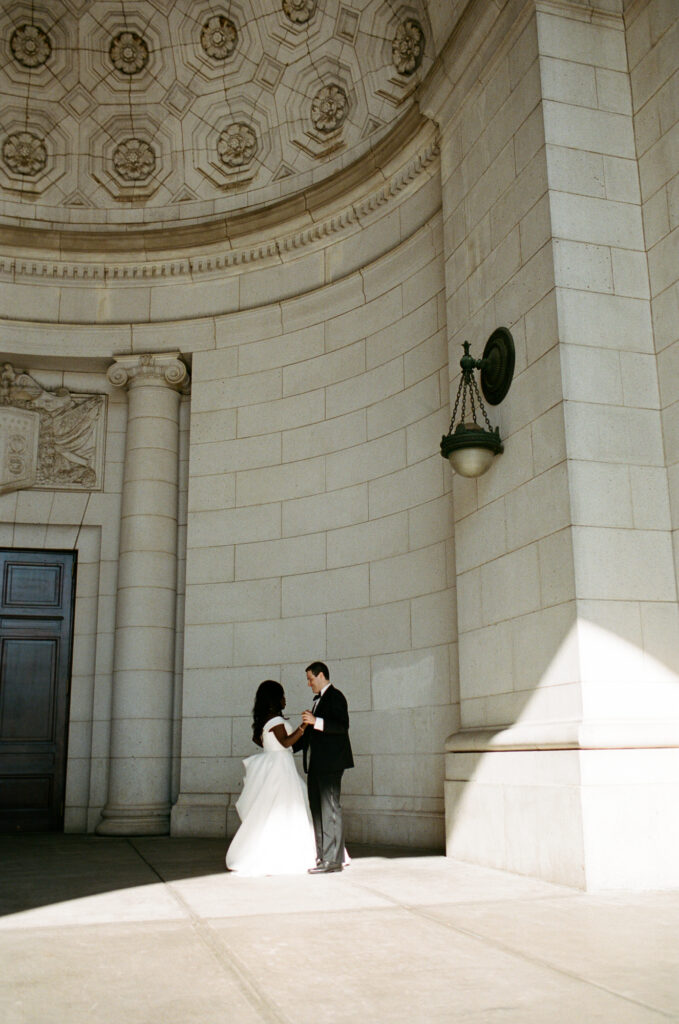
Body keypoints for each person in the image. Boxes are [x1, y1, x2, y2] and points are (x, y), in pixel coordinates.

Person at [226, 679, 316, 876]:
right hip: (281, 767)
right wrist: (303, 727)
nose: (285, 700)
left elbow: (257, 739)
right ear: (275, 699)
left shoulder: (265, 720)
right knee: (288, 806)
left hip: (272, 765)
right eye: (282, 696)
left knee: (272, 808)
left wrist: (270, 748)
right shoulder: (275, 720)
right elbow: (285, 742)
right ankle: (288, 853)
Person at [296, 661, 354, 874]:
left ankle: (333, 860)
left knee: (330, 809)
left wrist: (315, 720)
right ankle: (323, 857)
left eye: (310, 679)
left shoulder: (336, 697)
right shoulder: (318, 701)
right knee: (318, 811)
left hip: (331, 764)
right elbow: (311, 733)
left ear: (321, 675)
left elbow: (341, 726)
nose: (309, 683)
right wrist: (287, 745)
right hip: (317, 765)